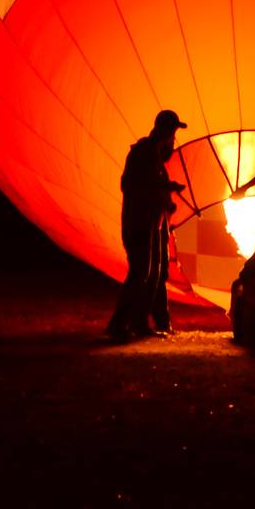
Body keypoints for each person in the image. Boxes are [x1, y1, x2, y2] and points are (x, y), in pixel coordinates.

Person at [106, 109, 187, 343]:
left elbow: (151, 185)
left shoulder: (154, 156)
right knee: (141, 272)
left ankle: (143, 322)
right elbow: (133, 186)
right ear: (167, 131)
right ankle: (119, 324)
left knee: (156, 272)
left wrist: (166, 199)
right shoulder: (144, 153)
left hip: (155, 222)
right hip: (140, 222)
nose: (174, 139)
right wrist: (165, 190)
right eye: (173, 133)